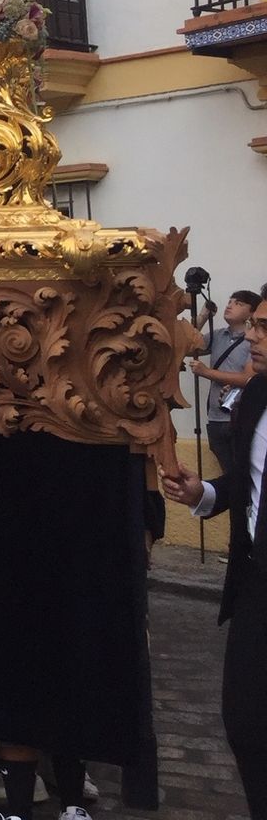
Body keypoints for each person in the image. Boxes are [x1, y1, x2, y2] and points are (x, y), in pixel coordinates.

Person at [164, 290, 267, 818]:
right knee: (246, 724)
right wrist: (202, 492)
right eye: (255, 326)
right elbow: (246, 485)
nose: (251, 335)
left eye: (264, 328)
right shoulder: (254, 397)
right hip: (255, 591)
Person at [189, 289, 261, 475]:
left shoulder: (254, 342)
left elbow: (248, 378)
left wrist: (206, 372)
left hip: (237, 417)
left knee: (242, 476)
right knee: (230, 477)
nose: (230, 305)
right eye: (230, 301)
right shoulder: (218, 335)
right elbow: (186, 345)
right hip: (215, 418)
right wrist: (204, 315)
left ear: (252, 313)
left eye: (238, 303)